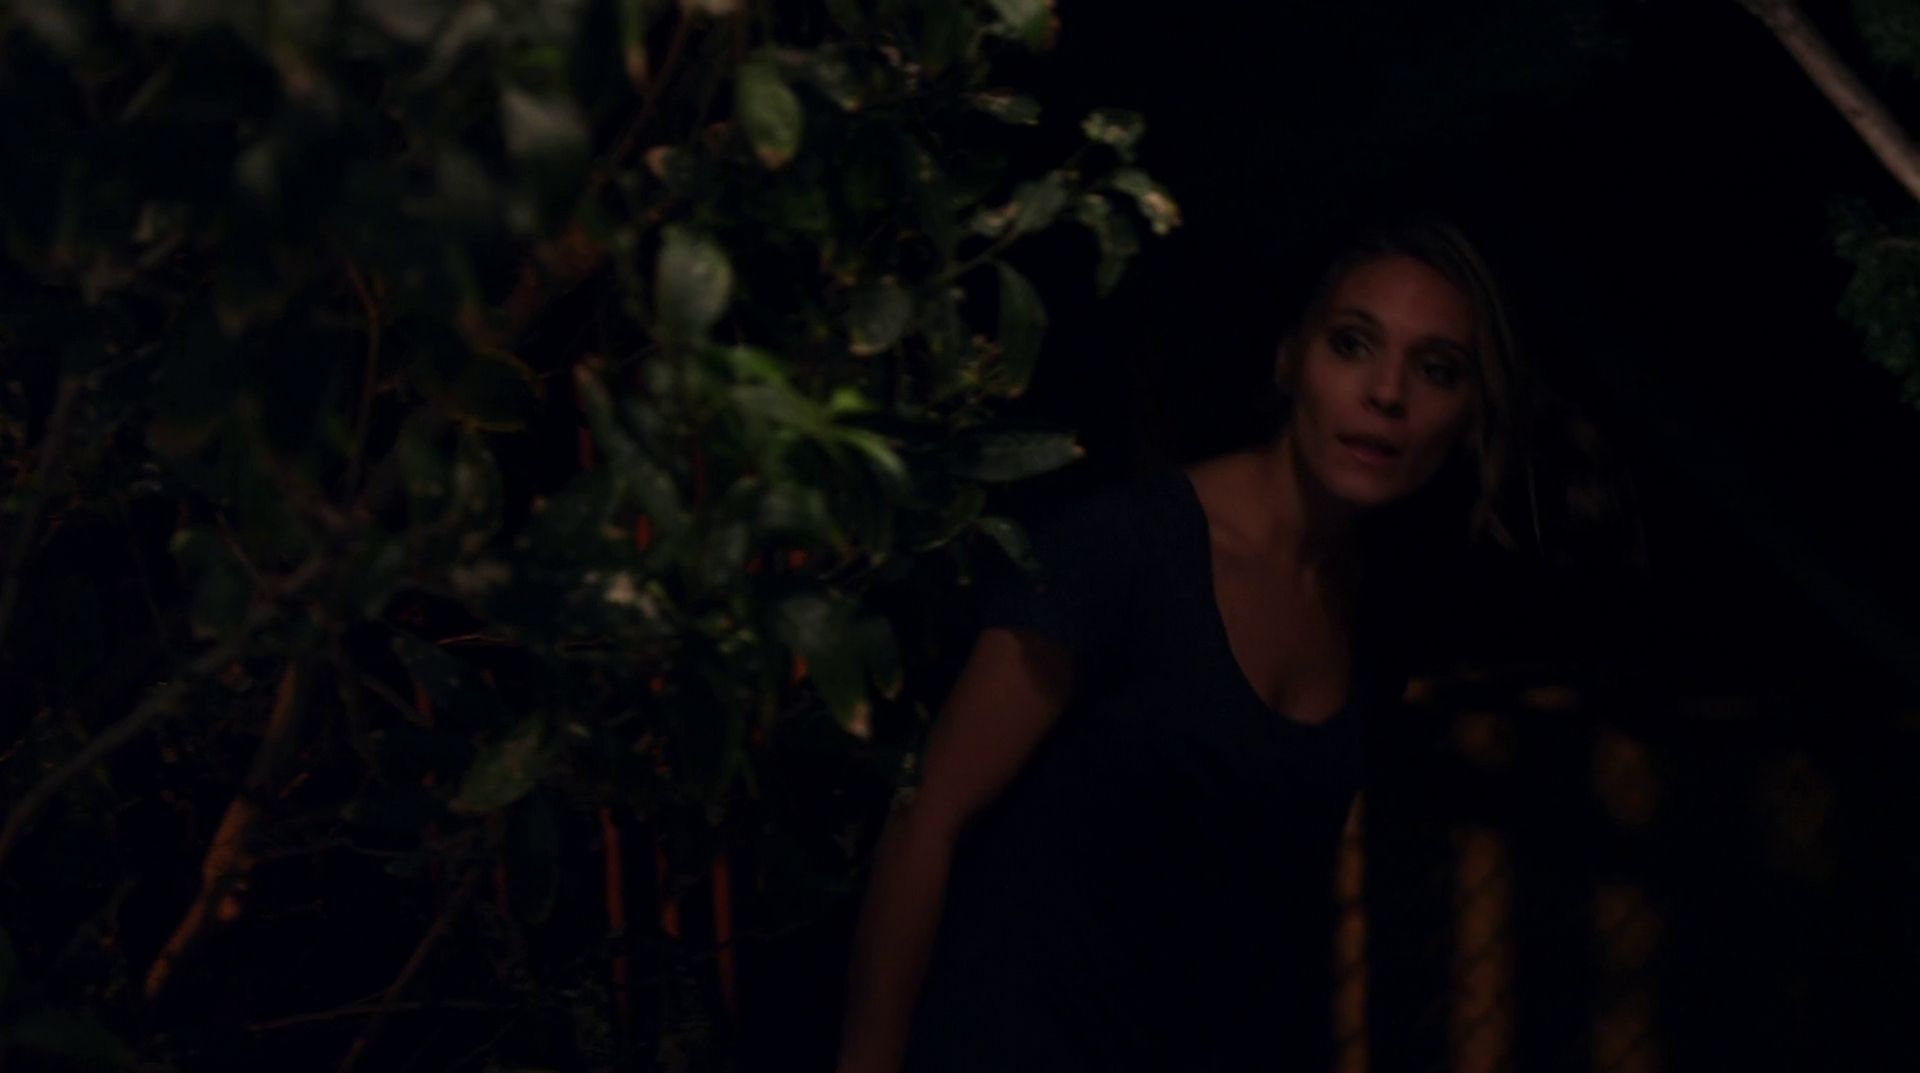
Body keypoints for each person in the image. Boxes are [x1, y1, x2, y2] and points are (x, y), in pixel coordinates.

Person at [835, 219, 1529, 1073]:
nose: (1387, 393)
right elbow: (930, 817)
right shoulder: (1126, 550)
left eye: (1436, 369)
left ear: (1468, 413)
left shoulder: (1374, 618)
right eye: (1352, 344)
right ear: (1290, 359)